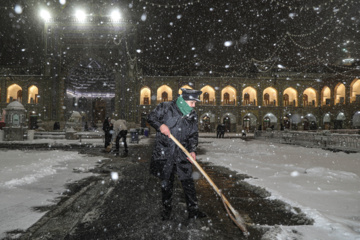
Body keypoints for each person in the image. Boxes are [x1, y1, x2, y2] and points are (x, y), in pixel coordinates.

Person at [147, 88, 207, 221]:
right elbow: (151, 117)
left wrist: (192, 149)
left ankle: (193, 210)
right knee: (166, 183)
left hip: (182, 153)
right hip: (165, 152)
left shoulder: (192, 114)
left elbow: (193, 134)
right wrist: (160, 125)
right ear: (184, 101)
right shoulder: (166, 107)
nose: (194, 105)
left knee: (188, 182)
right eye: (192, 102)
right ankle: (166, 210)